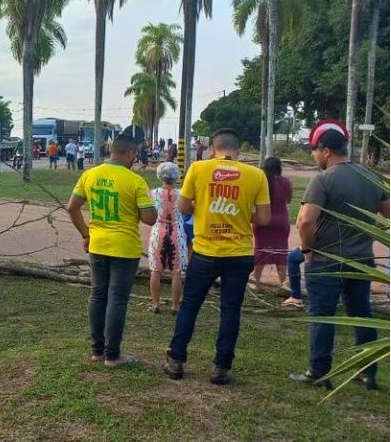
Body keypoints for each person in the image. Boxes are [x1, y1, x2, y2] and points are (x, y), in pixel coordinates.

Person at [164, 128, 271, 385]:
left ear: (213, 148)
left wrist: (203, 205)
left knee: (190, 304)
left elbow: (183, 206)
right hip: (240, 253)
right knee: (230, 310)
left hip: (205, 252)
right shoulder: (256, 175)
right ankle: (221, 368)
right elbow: (265, 218)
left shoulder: (199, 169)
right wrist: (243, 212)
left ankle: (177, 360)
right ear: (238, 149)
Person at [289, 120, 389, 390]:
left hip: (326, 261)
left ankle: (319, 372)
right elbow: (387, 212)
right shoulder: (370, 176)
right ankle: (368, 372)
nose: (313, 156)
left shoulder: (324, 179)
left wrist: (307, 250)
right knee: (361, 314)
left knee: (323, 316)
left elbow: (306, 221)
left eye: (314, 151)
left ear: (326, 152)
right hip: (361, 260)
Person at [67, 135, 157, 367]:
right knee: (117, 299)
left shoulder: (90, 174)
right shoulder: (135, 181)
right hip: (124, 249)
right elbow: (150, 218)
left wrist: (86, 234)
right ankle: (113, 355)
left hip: (97, 245)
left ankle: (97, 351)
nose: (135, 159)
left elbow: (72, 208)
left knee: (98, 295)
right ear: (129, 154)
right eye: (135, 155)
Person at [147, 162, 188, 314]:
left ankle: (155, 304)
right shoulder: (182, 194)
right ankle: (175, 306)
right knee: (176, 272)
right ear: (176, 176)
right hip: (177, 232)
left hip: (158, 231)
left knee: (155, 271)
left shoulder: (153, 193)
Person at [250, 156, 292, 287]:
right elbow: (289, 199)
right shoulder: (286, 182)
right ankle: (283, 282)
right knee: (281, 251)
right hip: (281, 221)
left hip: (263, 220)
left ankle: (255, 281)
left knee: (261, 250)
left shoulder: (261, 182)